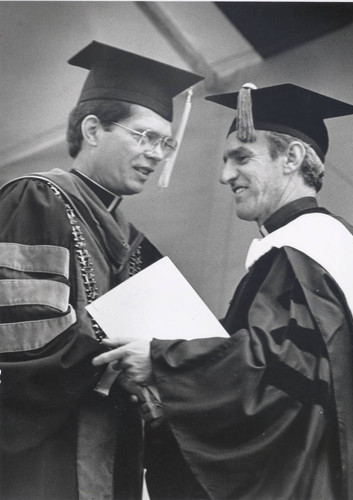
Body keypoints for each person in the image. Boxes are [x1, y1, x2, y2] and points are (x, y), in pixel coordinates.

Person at [93, 83, 353, 500]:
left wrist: (163, 361)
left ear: (291, 158)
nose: (224, 175)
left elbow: (278, 371)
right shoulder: (329, 246)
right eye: (224, 160)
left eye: (241, 157)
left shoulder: (303, 252)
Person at [0, 40, 202, 500]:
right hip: (45, 456)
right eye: (144, 136)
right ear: (92, 129)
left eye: (165, 142)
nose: (156, 154)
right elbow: (23, 341)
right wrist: (126, 366)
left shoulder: (132, 240)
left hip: (113, 447)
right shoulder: (39, 199)